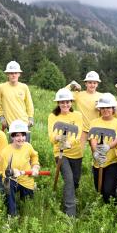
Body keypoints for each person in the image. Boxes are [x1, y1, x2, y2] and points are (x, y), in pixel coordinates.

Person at [48, 88, 83, 217]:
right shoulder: (53, 116)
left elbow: (78, 133)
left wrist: (70, 143)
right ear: (58, 103)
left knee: (75, 181)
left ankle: (67, 198)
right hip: (60, 153)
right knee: (68, 180)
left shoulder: (77, 115)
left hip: (76, 153)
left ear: (71, 102)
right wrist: (57, 138)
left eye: (67, 102)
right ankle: (70, 214)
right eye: (62, 102)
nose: (65, 105)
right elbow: (51, 135)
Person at [89, 93, 117, 203]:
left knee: (108, 191)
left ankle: (111, 211)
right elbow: (93, 139)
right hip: (98, 162)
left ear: (113, 108)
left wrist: (108, 147)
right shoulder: (94, 122)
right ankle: (101, 211)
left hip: (113, 162)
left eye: (108, 107)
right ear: (99, 109)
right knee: (99, 189)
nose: (105, 110)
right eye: (103, 108)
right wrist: (96, 153)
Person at [0, 120, 40, 216]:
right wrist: (13, 173)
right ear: (12, 136)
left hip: (26, 179)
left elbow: (34, 156)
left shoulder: (28, 146)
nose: (21, 138)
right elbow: (5, 172)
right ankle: (12, 216)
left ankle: (24, 214)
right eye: (17, 135)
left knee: (27, 204)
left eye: (23, 135)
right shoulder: (5, 152)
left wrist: (35, 167)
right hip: (12, 180)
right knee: (8, 185)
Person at [0, 61, 34, 141]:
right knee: (13, 149)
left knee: (25, 149)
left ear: (19, 74)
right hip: (10, 124)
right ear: (7, 74)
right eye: (11, 73)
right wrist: (2, 118)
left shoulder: (24, 87)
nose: (13, 75)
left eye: (16, 73)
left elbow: (29, 104)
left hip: (24, 123)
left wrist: (30, 118)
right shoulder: (1, 87)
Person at [68, 71, 102, 149]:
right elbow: (62, 93)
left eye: (94, 83)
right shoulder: (78, 94)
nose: (92, 85)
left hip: (96, 129)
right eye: (90, 82)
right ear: (85, 83)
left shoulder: (101, 96)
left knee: (97, 154)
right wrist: (71, 85)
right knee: (78, 152)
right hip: (82, 129)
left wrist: (101, 109)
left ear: (97, 84)